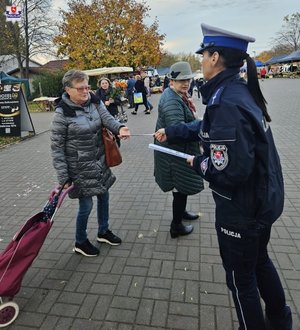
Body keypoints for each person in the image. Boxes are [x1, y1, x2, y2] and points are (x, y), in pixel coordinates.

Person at [154, 24, 292, 329]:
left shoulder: (226, 101)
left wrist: (197, 162)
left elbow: (228, 172)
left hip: (241, 210)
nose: (201, 61)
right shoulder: (236, 92)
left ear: (215, 57)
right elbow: (207, 127)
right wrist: (174, 132)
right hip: (260, 201)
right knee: (260, 262)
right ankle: (281, 319)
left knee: (240, 280)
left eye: (203, 54)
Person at [50, 70, 130, 257]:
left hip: (100, 161)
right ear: (68, 90)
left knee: (104, 197)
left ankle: (103, 231)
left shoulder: (95, 101)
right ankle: (80, 241)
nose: (85, 91)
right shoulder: (62, 114)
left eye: (87, 86)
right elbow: (57, 148)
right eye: (80, 88)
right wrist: (63, 177)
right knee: (86, 206)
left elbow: (107, 119)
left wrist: (120, 128)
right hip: (79, 169)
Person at [154, 61, 204, 238]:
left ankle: (181, 213)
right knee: (180, 189)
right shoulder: (172, 102)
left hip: (177, 152)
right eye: (181, 80)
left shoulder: (177, 95)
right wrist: (199, 124)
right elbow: (177, 131)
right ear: (171, 81)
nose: (186, 83)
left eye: (188, 79)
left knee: (181, 188)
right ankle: (176, 226)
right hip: (174, 155)